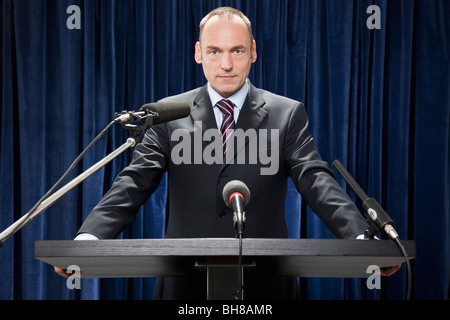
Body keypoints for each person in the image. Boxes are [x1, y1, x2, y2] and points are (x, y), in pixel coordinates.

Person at [55, 7, 399, 298]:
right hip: (184, 285)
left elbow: (315, 179)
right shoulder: (167, 114)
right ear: (198, 53)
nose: (226, 64)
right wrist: (89, 238)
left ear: (252, 51)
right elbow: (133, 183)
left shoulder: (286, 113)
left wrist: (359, 238)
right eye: (215, 51)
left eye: (236, 51)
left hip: (266, 284)